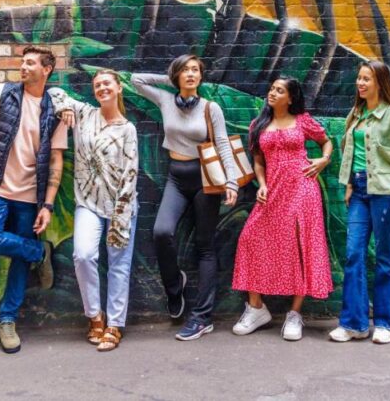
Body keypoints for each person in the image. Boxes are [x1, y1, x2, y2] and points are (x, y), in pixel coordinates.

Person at [131, 55, 239, 341]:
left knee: (205, 246)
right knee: (162, 232)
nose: (191, 75)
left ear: (202, 76)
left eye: (195, 71)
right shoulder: (166, 100)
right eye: (186, 71)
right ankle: (174, 286)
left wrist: (232, 181)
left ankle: (203, 317)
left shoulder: (210, 108)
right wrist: (172, 77)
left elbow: (223, 144)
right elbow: (135, 80)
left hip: (206, 178)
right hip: (176, 176)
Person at [0, 46, 68, 354]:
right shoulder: (3, 93)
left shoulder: (57, 108)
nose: (23, 67)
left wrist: (48, 204)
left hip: (30, 196)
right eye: (22, 62)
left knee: (19, 260)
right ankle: (39, 251)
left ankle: (7, 319)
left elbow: (56, 159)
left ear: (47, 69)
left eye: (30, 63)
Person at [330, 60, 390, 345]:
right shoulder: (356, 114)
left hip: (387, 192)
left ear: (380, 83)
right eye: (359, 78)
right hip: (360, 191)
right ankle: (354, 323)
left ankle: (386, 322)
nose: (360, 83)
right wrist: (349, 183)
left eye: (366, 79)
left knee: (384, 257)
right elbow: (351, 152)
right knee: (353, 254)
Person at [231, 77, 334, 341]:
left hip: (302, 189)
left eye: (280, 90)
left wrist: (323, 160)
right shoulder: (259, 124)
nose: (273, 93)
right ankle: (256, 308)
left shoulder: (302, 121)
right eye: (272, 89)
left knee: (299, 247)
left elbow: (326, 141)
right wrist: (261, 185)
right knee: (249, 239)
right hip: (272, 192)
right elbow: (258, 161)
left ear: (290, 98)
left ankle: (294, 314)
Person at [50, 71, 139, 352]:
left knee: (119, 266)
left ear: (118, 88)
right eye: (97, 84)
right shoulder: (85, 113)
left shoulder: (128, 129)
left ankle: (114, 325)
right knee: (84, 255)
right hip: (87, 202)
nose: (102, 88)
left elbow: (131, 173)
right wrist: (64, 106)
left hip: (120, 206)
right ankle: (94, 316)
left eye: (107, 84)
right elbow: (54, 92)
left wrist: (120, 217)